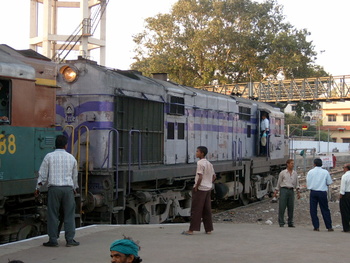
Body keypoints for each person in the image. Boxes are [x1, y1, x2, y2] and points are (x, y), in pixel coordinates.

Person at [35, 135, 79, 247]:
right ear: (66, 145)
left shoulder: (49, 156)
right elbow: (75, 176)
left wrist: (38, 188)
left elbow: (42, 174)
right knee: (69, 214)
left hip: (54, 189)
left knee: (53, 214)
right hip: (68, 189)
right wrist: (74, 188)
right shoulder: (71, 158)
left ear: (55, 144)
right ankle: (70, 240)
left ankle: (53, 240)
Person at [182, 146, 216, 235]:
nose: (196, 153)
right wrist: (208, 183)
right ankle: (208, 229)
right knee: (207, 209)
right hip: (208, 189)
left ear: (202, 153)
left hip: (200, 189)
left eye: (197, 151)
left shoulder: (200, 163)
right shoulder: (209, 163)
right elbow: (214, 176)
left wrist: (197, 186)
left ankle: (191, 230)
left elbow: (200, 176)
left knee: (196, 209)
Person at [306, 158, 334, 231]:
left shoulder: (310, 172)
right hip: (322, 192)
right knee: (325, 209)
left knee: (313, 210)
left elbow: (308, 182)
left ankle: (316, 226)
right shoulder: (325, 172)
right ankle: (329, 226)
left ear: (314, 164)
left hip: (313, 192)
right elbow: (329, 182)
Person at [274, 159, 300, 227]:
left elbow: (297, 183)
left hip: (291, 190)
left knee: (291, 207)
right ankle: (281, 222)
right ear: (287, 164)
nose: (293, 165)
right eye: (291, 163)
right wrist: (276, 191)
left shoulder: (295, 173)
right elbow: (279, 182)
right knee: (282, 206)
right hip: (284, 190)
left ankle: (290, 222)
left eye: (293, 163)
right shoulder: (283, 173)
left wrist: (298, 192)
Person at [339, 163, 350, 232]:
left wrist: (341, 195)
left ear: (347, 168)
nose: (343, 169)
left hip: (346, 195)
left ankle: (346, 228)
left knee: (345, 211)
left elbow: (343, 187)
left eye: (344, 167)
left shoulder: (345, 176)